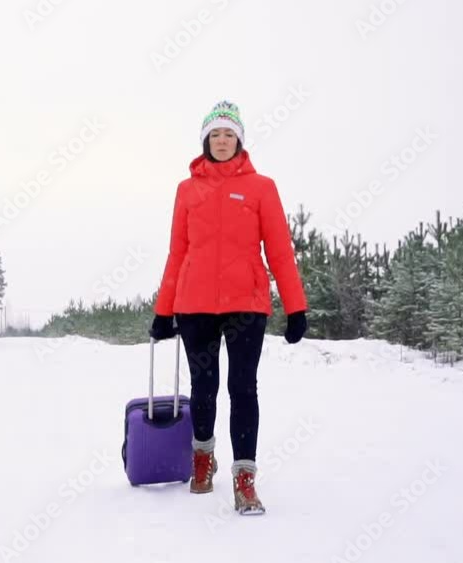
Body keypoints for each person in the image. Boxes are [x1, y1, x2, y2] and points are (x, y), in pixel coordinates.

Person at [148, 100, 308, 516]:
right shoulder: (187, 190)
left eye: (229, 134)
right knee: (203, 387)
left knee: (242, 387)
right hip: (195, 304)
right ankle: (202, 460)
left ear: (240, 140)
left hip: (246, 305)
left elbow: (279, 250)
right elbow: (177, 252)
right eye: (215, 134)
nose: (222, 140)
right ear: (205, 140)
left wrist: (296, 307)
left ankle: (244, 478)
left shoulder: (261, 188)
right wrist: (164, 311)